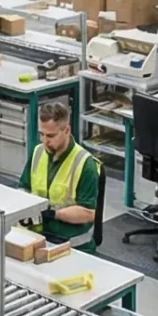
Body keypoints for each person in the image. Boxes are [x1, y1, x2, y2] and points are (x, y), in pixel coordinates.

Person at [22, 100, 103, 250]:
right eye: (42, 134)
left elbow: (88, 213)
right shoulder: (38, 152)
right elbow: (23, 188)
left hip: (72, 245)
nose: (45, 141)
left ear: (67, 130)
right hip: (39, 238)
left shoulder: (84, 164)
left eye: (51, 136)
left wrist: (53, 214)